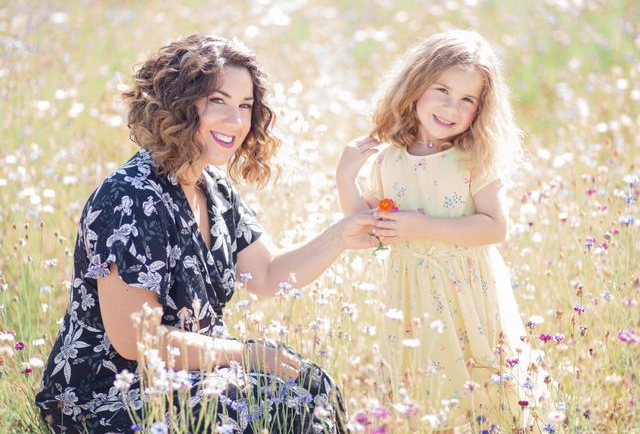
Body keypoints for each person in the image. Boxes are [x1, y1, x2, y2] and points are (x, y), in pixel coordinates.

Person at [35, 34, 376, 433]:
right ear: (179, 103)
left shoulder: (212, 186)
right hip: (107, 396)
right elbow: (134, 339)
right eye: (218, 101)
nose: (236, 121)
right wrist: (245, 355)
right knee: (271, 405)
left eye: (245, 106)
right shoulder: (129, 197)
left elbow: (267, 274)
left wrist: (340, 236)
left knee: (312, 386)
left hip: (194, 379)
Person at [336, 30, 545, 431]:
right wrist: (346, 179)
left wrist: (423, 225)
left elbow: (494, 227)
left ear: (481, 110)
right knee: (423, 395)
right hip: (412, 297)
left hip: (467, 293)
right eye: (442, 91)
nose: (451, 107)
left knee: (482, 384)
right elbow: (368, 235)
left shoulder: (475, 160)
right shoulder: (388, 161)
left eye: (467, 100)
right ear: (415, 87)